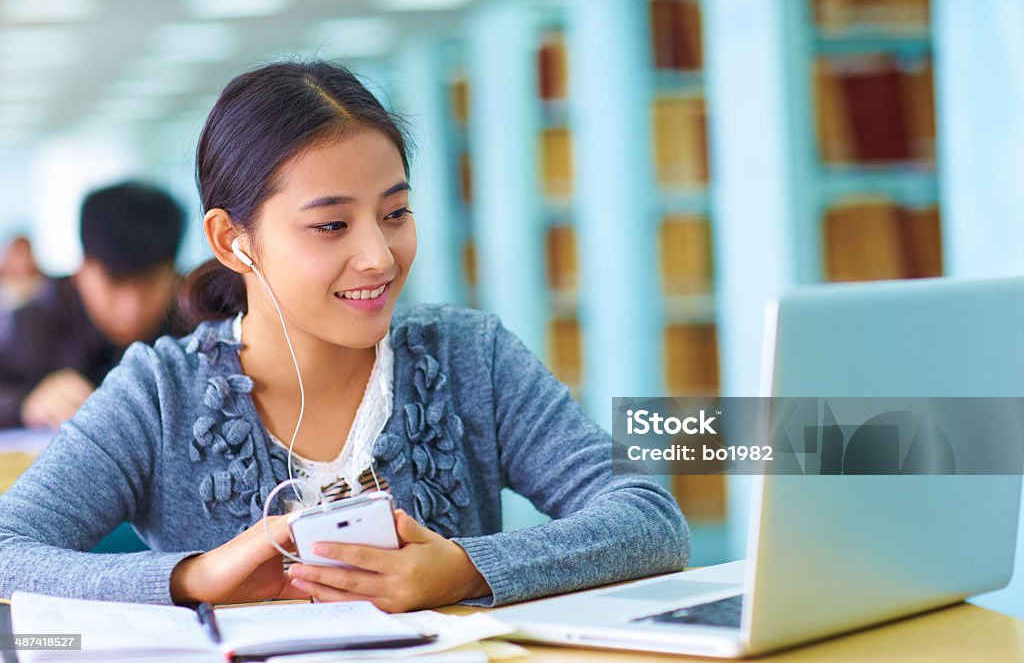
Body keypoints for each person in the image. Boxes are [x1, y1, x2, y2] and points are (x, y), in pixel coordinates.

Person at [0, 61, 689, 610]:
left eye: (395, 213)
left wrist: (463, 569)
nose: (380, 257)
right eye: (332, 225)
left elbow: (649, 520)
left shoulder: (469, 356)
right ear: (233, 241)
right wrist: (192, 578)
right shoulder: (158, 394)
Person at [0, 182, 187, 430]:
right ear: (82, 269)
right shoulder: (32, 322)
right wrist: (25, 404)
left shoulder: (196, 319)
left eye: (150, 285)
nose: (130, 310)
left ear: (174, 274)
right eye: (114, 283)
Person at [0, 235, 44, 313]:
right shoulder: (3, 285)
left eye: (20, 255)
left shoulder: (40, 286)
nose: (15, 263)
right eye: (12, 255)